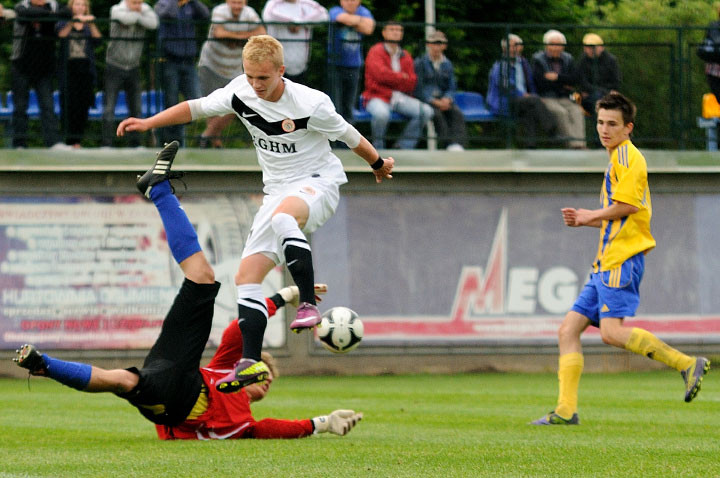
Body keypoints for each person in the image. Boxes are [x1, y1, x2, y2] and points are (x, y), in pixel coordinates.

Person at [13, 143, 363, 440]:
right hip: (178, 371)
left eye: (267, 382)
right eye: (263, 375)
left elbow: (269, 427)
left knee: (122, 379)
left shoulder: (241, 420)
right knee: (202, 278)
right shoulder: (224, 370)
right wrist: (284, 296)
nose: (264, 384)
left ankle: (45, 365)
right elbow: (235, 333)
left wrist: (322, 424)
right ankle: (159, 190)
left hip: (174, 403)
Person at [117, 35, 394, 393]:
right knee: (247, 276)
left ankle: (307, 304)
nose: (255, 85)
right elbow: (196, 107)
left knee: (284, 218)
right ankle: (249, 362)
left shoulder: (311, 104)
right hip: (276, 192)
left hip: (317, 182)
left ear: (281, 70)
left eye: (263, 78)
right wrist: (148, 123)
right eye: (250, 76)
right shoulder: (240, 92)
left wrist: (377, 164)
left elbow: (350, 135)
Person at [532, 93, 710, 426]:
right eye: (600, 122)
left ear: (628, 128)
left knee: (611, 333)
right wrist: (591, 218)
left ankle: (686, 363)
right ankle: (566, 410)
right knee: (568, 329)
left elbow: (628, 207)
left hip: (622, 259)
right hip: (607, 260)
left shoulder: (629, 158)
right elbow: (623, 214)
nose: (604, 129)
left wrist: (588, 217)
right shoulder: (617, 158)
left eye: (612, 124)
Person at [197, 0, 265, 148]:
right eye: (234, 2)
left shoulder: (250, 14)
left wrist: (233, 36)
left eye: (239, 2)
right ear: (228, 2)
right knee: (212, 105)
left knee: (238, 104)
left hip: (234, 68)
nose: (236, 6)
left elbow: (261, 33)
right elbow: (219, 33)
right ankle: (214, 143)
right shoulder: (220, 11)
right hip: (211, 65)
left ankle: (207, 135)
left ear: (245, 2)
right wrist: (246, 36)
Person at [363, 21, 433, 150]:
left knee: (426, 111)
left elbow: (411, 82)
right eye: (392, 29)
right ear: (384, 32)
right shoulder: (376, 51)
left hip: (399, 97)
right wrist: (401, 77)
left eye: (399, 30)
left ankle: (403, 146)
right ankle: (377, 150)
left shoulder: (405, 55)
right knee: (381, 114)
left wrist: (393, 77)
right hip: (377, 96)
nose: (396, 32)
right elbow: (380, 75)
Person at [102, 0, 159, 148]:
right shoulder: (116, 9)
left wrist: (135, 14)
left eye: (140, 2)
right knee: (109, 108)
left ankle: (135, 144)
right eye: (134, 2)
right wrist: (139, 16)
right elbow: (125, 18)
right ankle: (106, 145)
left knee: (136, 108)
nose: (138, 5)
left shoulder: (144, 8)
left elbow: (153, 23)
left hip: (134, 67)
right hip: (114, 65)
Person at [10, 0, 67, 148]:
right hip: (21, 65)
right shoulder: (22, 6)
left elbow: (67, 12)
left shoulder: (53, 5)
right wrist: (49, 16)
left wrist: (46, 14)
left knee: (48, 106)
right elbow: (24, 14)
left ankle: (53, 143)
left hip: (44, 68)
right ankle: (19, 144)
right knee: (20, 107)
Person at [487, 33, 557, 149]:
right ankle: (551, 130)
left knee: (530, 110)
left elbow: (530, 84)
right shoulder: (500, 65)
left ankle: (530, 145)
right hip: (505, 102)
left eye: (517, 45)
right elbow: (505, 86)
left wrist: (532, 95)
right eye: (512, 46)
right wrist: (524, 95)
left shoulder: (523, 63)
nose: (515, 48)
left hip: (524, 101)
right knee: (533, 101)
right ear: (505, 48)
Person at [154, 0, 210, 145]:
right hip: (169, 61)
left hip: (189, 61)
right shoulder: (163, 4)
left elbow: (205, 15)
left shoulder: (190, 5)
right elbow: (168, 14)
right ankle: (172, 141)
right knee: (171, 103)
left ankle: (171, 131)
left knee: (197, 100)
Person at [56, 0, 101, 148]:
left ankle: (78, 141)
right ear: (72, 7)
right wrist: (73, 21)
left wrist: (91, 23)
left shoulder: (88, 25)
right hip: (68, 69)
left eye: (83, 5)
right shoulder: (64, 22)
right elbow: (61, 35)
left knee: (83, 104)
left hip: (85, 69)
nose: (80, 7)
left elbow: (97, 40)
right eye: (77, 4)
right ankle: (68, 139)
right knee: (69, 105)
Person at [531, 29, 586, 149]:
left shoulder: (568, 59)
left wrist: (556, 77)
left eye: (559, 45)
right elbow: (540, 82)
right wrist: (563, 82)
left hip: (564, 97)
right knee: (561, 113)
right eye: (553, 44)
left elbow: (574, 79)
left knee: (577, 111)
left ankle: (581, 144)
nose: (556, 48)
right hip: (546, 97)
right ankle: (573, 145)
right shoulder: (538, 60)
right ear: (546, 46)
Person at [413, 30, 466, 152]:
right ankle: (448, 144)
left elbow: (452, 86)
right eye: (434, 43)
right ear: (428, 45)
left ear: (444, 46)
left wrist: (447, 98)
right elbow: (418, 88)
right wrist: (433, 101)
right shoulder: (420, 63)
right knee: (436, 115)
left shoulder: (448, 64)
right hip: (427, 101)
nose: (437, 47)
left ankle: (458, 145)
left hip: (443, 100)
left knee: (456, 113)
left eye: (440, 43)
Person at [327, 0, 375, 123]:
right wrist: (359, 21)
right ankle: (334, 141)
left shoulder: (365, 11)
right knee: (334, 106)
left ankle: (348, 141)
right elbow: (341, 18)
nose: (350, 3)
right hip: (335, 65)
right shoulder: (335, 10)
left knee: (349, 107)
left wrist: (351, 21)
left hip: (354, 65)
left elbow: (369, 28)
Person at [262, 0, 328, 84]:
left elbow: (324, 16)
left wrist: (299, 23)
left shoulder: (308, 3)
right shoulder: (273, 4)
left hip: (301, 64)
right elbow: (268, 16)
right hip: (277, 64)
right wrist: (291, 23)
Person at [576, 33, 621, 115]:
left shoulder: (611, 60)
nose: (590, 50)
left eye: (593, 47)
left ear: (601, 47)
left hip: (607, 95)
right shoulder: (582, 61)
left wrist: (609, 92)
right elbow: (583, 83)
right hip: (590, 96)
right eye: (587, 47)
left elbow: (616, 82)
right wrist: (606, 91)